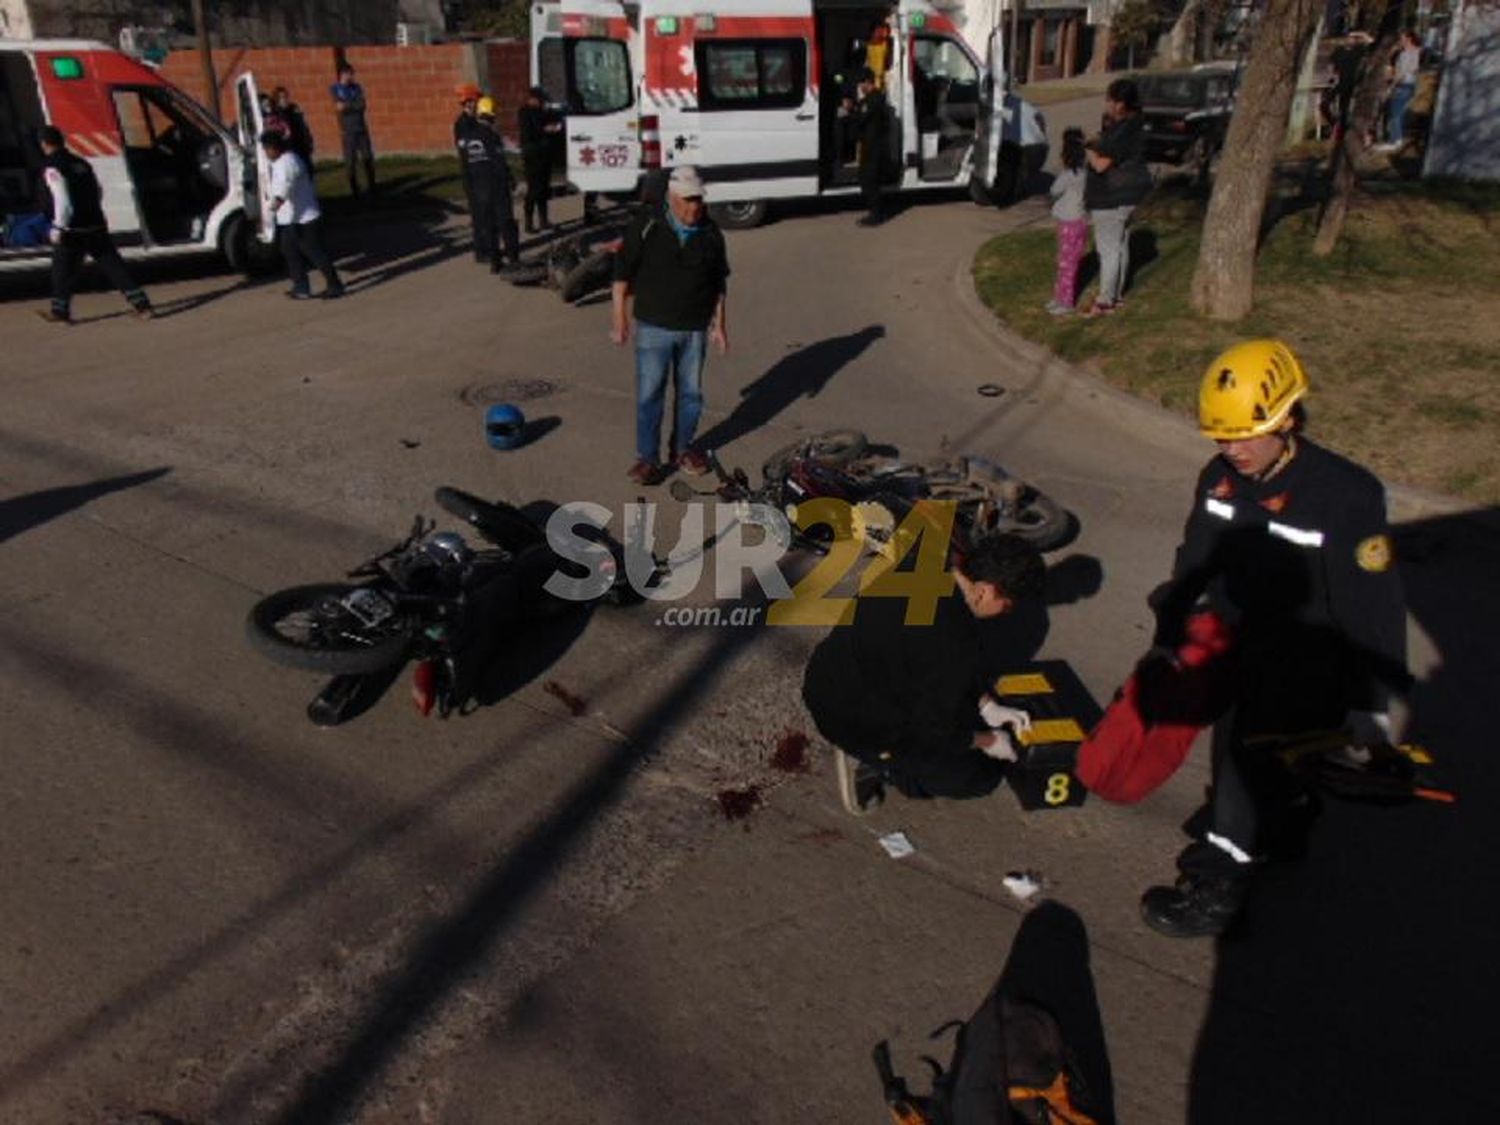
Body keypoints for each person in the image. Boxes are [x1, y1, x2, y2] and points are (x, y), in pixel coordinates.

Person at [1139, 340, 1408, 938]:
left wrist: (1373, 707)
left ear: (1288, 419)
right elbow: (1195, 562)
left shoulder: (1346, 496)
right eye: (1221, 437)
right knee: (1266, 769)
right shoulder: (1221, 479)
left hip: (1308, 662)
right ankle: (1280, 834)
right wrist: (1170, 631)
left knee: (1240, 768)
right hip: (1237, 645)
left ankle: (1216, 888)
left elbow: (1373, 608)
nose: (1232, 451)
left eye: (1245, 436)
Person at [802, 533, 1046, 813]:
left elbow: (927, 663)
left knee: (961, 704)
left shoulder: (923, 567)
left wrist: (988, 705)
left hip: (832, 677)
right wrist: (988, 741)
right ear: (986, 591)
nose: (1007, 612)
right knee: (977, 776)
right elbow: (936, 729)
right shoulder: (953, 639)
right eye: (1009, 605)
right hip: (851, 719)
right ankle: (885, 768)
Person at [611, 165, 730, 485]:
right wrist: (619, 318)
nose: (695, 207)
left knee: (691, 395)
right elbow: (622, 272)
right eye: (689, 200)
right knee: (651, 394)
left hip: (695, 328)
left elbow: (719, 282)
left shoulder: (711, 233)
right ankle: (648, 459)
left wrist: (720, 326)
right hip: (654, 327)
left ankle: (683, 449)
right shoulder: (647, 226)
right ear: (673, 196)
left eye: (699, 200)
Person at [33, 125, 153, 324]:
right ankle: (143, 306)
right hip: (95, 224)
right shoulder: (82, 163)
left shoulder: (53, 167)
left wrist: (58, 227)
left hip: (72, 229)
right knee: (115, 267)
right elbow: (97, 191)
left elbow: (62, 201)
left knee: (61, 270)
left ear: (44, 144)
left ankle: (60, 311)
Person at [1083, 78, 1150, 318]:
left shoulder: (1123, 130)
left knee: (1109, 249)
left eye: (1110, 99)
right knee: (1121, 246)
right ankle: (1116, 295)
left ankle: (1104, 301)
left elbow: (1101, 165)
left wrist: (1087, 149)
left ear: (1120, 104)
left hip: (1112, 197)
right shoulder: (1134, 124)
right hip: (1131, 196)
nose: (1107, 104)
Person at [262, 130, 344, 300]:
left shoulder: (289, 162)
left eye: (267, 148)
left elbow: (285, 187)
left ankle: (335, 284)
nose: (266, 152)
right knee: (289, 251)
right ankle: (301, 287)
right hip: (290, 219)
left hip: (304, 218)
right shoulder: (279, 162)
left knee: (314, 252)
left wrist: (271, 210)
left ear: (275, 147)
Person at [459, 96, 521, 273]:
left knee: (489, 226)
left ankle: (495, 262)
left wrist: (469, 189)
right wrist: (510, 180)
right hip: (496, 186)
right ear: (491, 115)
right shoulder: (491, 136)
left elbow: (465, 166)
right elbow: (498, 162)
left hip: (479, 188)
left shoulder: (468, 138)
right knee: (506, 223)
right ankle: (513, 258)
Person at [1047, 128, 1089, 316]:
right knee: (1065, 262)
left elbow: (1054, 190)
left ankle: (1066, 302)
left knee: (1067, 264)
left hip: (1069, 223)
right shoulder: (1084, 173)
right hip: (1078, 222)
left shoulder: (1068, 175)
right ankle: (1059, 297)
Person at [518, 86, 561, 233]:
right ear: (532, 99)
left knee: (544, 190)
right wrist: (545, 129)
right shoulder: (524, 112)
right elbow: (529, 132)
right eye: (539, 99)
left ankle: (544, 220)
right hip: (532, 155)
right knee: (533, 190)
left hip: (544, 155)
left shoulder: (542, 112)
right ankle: (529, 223)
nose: (542, 102)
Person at [852, 67, 891, 226]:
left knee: (871, 180)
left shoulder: (874, 98)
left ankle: (876, 216)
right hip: (869, 144)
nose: (860, 87)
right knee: (865, 178)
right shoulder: (869, 98)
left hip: (874, 146)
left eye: (861, 83)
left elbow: (862, 116)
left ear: (868, 82)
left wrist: (853, 110)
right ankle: (874, 211)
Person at [330, 63, 375, 196]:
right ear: (343, 74)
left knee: (367, 157)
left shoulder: (357, 87)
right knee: (351, 159)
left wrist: (348, 105)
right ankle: (354, 187)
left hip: (361, 127)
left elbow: (362, 105)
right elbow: (338, 107)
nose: (352, 77)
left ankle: (372, 185)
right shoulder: (335, 89)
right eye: (350, 74)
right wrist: (352, 105)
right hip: (348, 129)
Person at [1380, 28, 1422, 150]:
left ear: (1409, 39)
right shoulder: (1410, 53)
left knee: (1395, 113)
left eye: (1402, 38)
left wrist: (1392, 85)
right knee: (1397, 112)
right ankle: (1395, 138)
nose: (1400, 41)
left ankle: (1395, 140)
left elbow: (1403, 72)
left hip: (1403, 85)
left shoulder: (1408, 53)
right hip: (1407, 84)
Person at [274, 86, 314, 164]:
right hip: (289, 147)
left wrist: (308, 140)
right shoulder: (277, 113)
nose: (284, 100)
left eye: (285, 96)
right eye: (281, 98)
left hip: (301, 144)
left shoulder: (294, 109)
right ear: (277, 100)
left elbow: (303, 125)